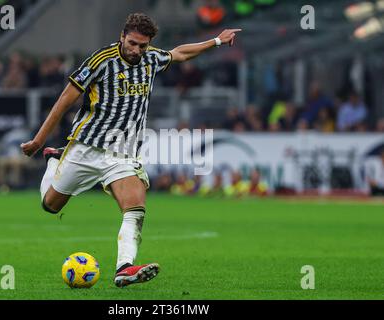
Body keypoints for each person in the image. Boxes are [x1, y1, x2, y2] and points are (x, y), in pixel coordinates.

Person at [20, 13, 241, 287]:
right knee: (50, 206)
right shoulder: (101, 61)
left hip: (122, 152)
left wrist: (217, 40)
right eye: (132, 43)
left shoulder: (151, 58)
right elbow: (65, 99)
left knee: (135, 207)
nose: (136, 50)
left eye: (142, 45)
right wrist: (39, 141)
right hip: (87, 147)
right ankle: (53, 160)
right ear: (122, 37)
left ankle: (124, 267)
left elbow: (180, 53)